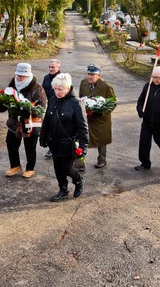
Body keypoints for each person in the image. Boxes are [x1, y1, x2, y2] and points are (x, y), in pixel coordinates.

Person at [40, 73, 88, 202]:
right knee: (57, 168)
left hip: (69, 144)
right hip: (54, 143)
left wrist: (83, 147)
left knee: (66, 168)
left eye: (60, 89)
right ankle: (63, 190)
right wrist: (43, 137)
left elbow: (83, 128)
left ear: (67, 88)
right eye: (55, 89)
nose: (57, 92)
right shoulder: (52, 99)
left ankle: (78, 180)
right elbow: (47, 121)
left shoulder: (76, 103)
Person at [0, 63, 47, 178]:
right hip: (14, 122)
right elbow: (5, 103)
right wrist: (2, 102)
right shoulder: (12, 85)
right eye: (18, 75)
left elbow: (41, 108)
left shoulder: (38, 89)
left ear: (28, 75)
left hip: (30, 123)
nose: (19, 78)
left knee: (30, 146)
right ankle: (15, 166)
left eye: (22, 76)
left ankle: (30, 168)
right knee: (11, 143)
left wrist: (27, 108)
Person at [79, 65, 116, 168]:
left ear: (99, 75)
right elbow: (81, 98)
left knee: (101, 140)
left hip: (100, 119)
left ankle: (102, 160)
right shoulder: (83, 83)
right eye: (89, 74)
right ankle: (80, 162)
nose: (90, 77)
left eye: (93, 74)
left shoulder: (106, 86)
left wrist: (102, 112)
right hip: (87, 117)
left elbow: (113, 103)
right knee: (81, 139)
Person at [41, 59, 61, 158]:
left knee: (58, 128)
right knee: (49, 127)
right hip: (50, 106)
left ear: (58, 68)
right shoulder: (46, 78)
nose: (51, 69)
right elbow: (42, 92)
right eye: (49, 67)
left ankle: (58, 149)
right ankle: (51, 148)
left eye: (53, 67)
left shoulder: (62, 78)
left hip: (60, 106)